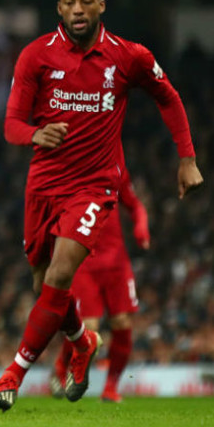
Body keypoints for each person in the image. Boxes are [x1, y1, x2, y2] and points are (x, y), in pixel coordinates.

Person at [0, 0, 203, 411]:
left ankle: (14, 374)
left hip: (95, 186)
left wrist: (187, 158)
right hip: (43, 185)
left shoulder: (129, 56)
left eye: (86, 2)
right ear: (59, 8)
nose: (77, 10)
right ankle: (82, 342)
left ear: (101, 5)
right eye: (69, 3)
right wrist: (35, 135)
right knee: (42, 282)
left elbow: (168, 97)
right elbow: (10, 125)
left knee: (60, 275)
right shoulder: (35, 56)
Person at [50, 164, 149, 403]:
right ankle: (61, 367)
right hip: (85, 262)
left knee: (122, 322)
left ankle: (111, 388)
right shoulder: (71, 172)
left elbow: (134, 205)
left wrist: (141, 227)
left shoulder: (116, 171)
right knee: (89, 328)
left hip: (117, 263)